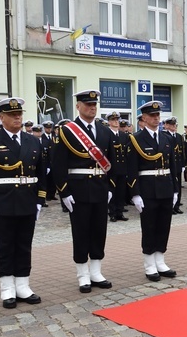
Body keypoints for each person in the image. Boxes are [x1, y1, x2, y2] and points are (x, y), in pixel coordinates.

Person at [0, 97, 47, 308]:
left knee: (24, 244)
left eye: (19, 114)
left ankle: (23, 285)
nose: (17, 117)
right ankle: (7, 288)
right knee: (5, 245)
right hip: (2, 202)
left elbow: (41, 172)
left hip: (27, 200)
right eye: (12, 115)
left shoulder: (33, 140)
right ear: (1, 117)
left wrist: (40, 199)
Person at [52, 89, 115, 293]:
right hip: (78, 189)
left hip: (99, 187)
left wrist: (111, 187)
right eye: (87, 104)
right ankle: (82, 274)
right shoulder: (68, 130)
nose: (92, 107)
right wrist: (64, 191)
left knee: (99, 230)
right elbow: (58, 163)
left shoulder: (104, 130)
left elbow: (112, 161)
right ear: (78, 106)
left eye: (94, 104)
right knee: (80, 232)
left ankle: (96, 272)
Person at [127, 101, 180, 282]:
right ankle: (149, 264)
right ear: (144, 118)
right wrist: (135, 193)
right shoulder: (136, 139)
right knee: (149, 227)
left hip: (165, 186)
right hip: (147, 188)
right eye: (152, 116)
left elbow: (173, 166)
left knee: (164, 225)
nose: (156, 119)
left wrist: (175, 190)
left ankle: (161, 261)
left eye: (158, 116)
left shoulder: (167, 138)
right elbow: (131, 168)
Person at [106, 111, 129, 222]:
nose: (116, 122)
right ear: (109, 122)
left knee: (121, 191)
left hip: (123, 168)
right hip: (112, 169)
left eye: (117, 120)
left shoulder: (124, 135)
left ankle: (120, 212)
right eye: (113, 120)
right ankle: (112, 213)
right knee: (112, 192)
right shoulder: (107, 134)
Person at [163, 116, 185, 214]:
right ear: (166, 125)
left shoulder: (179, 136)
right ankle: (170, 206)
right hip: (170, 165)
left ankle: (177, 205)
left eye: (175, 124)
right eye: (172, 124)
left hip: (178, 164)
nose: (174, 126)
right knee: (170, 185)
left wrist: (184, 164)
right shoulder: (164, 135)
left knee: (178, 186)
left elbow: (182, 151)